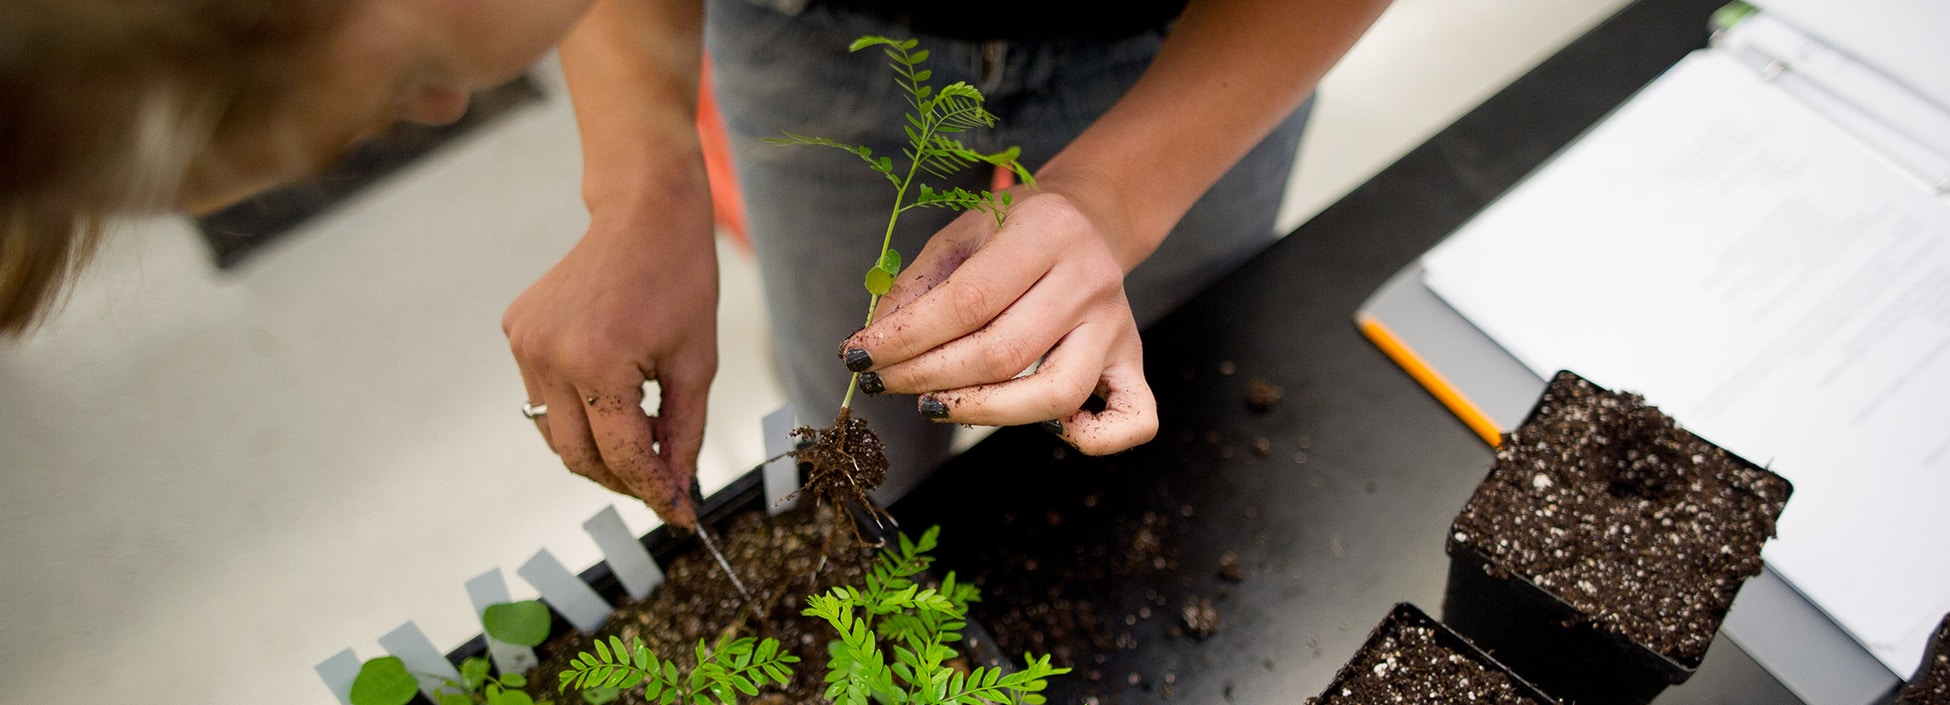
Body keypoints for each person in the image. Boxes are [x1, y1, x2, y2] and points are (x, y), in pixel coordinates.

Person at [1, 0, 1389, 529]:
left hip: (1198, 36)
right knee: (864, 414)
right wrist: (641, 175)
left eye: (418, 79)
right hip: (810, 30)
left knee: (1134, 429)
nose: (441, 116)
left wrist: (1116, 195)